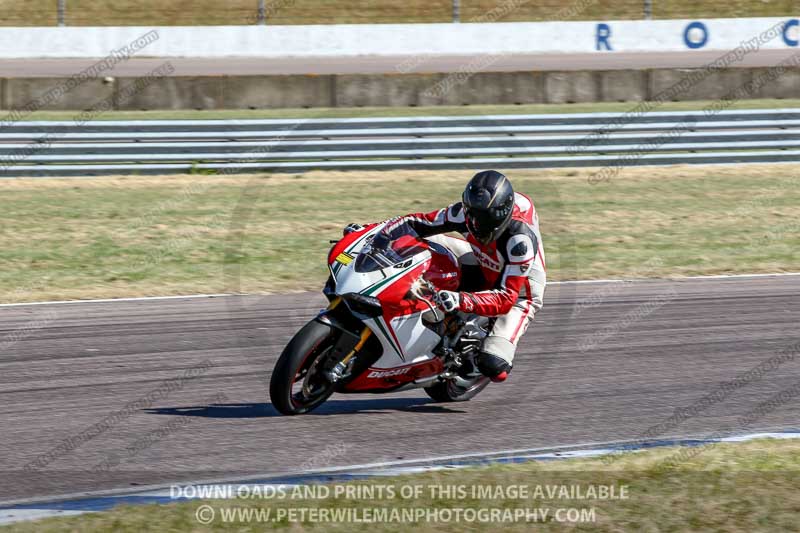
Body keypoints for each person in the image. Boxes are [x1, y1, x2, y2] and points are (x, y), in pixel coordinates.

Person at [352, 170, 546, 382]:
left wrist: (459, 299)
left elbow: (504, 299)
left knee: (494, 366)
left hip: (518, 292)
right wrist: (371, 234)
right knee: (418, 245)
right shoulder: (463, 213)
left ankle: (467, 363)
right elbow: (415, 223)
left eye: (487, 218)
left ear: (504, 212)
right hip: (481, 257)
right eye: (474, 215)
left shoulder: (520, 243)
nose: (478, 224)